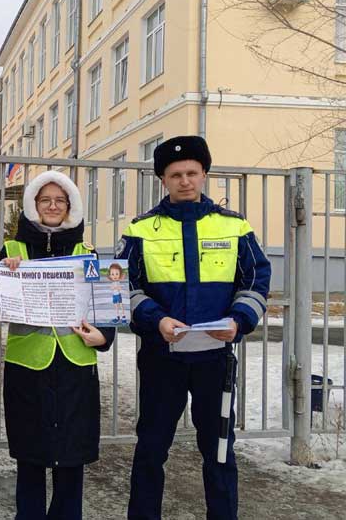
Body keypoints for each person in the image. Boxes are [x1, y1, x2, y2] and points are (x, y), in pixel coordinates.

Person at [115, 136, 271, 519]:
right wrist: (155, 318)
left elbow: (256, 278)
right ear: (163, 180)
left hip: (214, 361)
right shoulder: (141, 230)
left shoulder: (234, 227)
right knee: (151, 449)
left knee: (219, 450)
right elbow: (122, 285)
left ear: (204, 175)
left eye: (192, 173)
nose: (184, 181)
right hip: (161, 358)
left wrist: (239, 320)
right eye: (175, 175)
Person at [0, 170, 115, 520]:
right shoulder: (13, 249)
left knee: (72, 457)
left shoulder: (86, 251)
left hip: (74, 368)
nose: (52, 206)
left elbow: (105, 306)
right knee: (30, 455)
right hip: (26, 369)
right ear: (33, 205)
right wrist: (5, 273)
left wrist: (104, 336)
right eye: (44, 200)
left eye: (59, 200)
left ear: (70, 206)